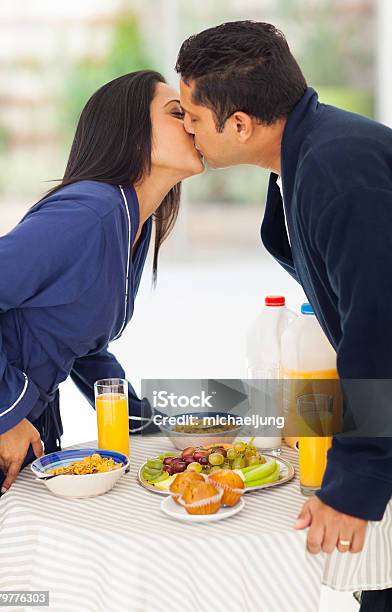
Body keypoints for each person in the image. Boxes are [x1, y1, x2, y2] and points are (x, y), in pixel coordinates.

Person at [176, 21, 392, 610]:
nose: (187, 130)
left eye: (192, 117)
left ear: (239, 124)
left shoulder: (337, 169)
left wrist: (354, 483)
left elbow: (378, 328)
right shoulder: (308, 157)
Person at [0, 69, 204, 555]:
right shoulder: (91, 213)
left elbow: (82, 343)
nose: (191, 122)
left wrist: (148, 426)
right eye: (175, 112)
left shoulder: (133, 225)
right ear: (130, 131)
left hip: (27, 434)